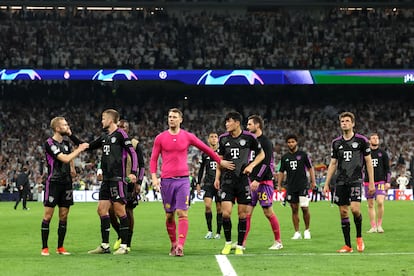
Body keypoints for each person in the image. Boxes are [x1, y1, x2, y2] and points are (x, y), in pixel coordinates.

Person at [150, 108, 235, 257]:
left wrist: (219, 161)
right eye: (169, 117)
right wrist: (154, 177)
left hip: (183, 180)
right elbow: (153, 159)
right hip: (166, 181)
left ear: (180, 120)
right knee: (169, 215)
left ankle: (181, 246)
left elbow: (206, 149)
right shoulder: (160, 138)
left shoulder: (187, 136)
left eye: (174, 117)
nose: (171, 119)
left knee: (182, 213)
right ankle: (173, 244)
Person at [86, 109, 138, 255]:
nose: (101, 121)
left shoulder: (121, 134)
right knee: (101, 210)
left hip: (117, 179)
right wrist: (71, 136)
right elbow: (88, 146)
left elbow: (132, 152)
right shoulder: (104, 137)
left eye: (103, 118)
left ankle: (125, 246)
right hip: (106, 180)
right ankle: (104, 245)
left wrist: (133, 172)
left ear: (110, 119)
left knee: (121, 211)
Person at [323, 111, 375, 253]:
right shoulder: (336, 143)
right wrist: (327, 183)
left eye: (347, 121)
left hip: (356, 180)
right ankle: (348, 245)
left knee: (355, 210)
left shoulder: (361, 141)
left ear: (353, 123)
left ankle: (359, 237)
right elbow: (333, 163)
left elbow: (368, 162)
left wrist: (371, 182)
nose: (344, 123)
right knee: (343, 212)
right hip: (340, 181)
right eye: (342, 121)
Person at [214, 111, 265, 255]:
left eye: (228, 121)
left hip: (242, 180)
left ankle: (240, 246)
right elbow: (219, 159)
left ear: (237, 123)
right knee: (226, 213)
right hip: (227, 181)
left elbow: (262, 155)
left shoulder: (249, 137)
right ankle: (228, 243)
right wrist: (217, 177)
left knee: (242, 215)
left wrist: (251, 165)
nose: (226, 124)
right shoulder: (223, 139)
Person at [41, 117, 89, 256]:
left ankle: (60, 247)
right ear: (57, 128)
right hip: (54, 182)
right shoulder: (49, 143)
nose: (67, 127)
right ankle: (45, 247)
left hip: (66, 183)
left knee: (64, 215)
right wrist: (79, 149)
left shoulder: (67, 143)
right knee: (48, 216)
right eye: (64, 125)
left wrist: (72, 168)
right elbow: (64, 158)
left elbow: (69, 157)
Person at [243, 115, 282, 250]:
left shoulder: (265, 142)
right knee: (246, 213)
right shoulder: (250, 141)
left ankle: (278, 241)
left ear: (257, 125)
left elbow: (267, 163)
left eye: (249, 124)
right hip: (251, 182)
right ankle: (242, 243)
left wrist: (258, 179)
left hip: (264, 182)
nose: (247, 127)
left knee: (268, 212)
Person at [109, 119, 145, 252]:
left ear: (128, 129)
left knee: (128, 211)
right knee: (110, 210)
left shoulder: (135, 144)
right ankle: (120, 234)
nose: (121, 128)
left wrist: (139, 182)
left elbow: (141, 165)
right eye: (119, 126)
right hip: (114, 181)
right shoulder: (113, 143)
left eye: (124, 127)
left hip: (129, 182)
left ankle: (127, 242)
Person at [277, 134, 316, 240]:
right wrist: (279, 184)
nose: (291, 144)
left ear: (296, 142)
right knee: (294, 209)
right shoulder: (285, 157)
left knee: (304, 208)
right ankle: (297, 232)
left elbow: (310, 168)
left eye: (292, 142)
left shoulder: (303, 155)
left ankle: (307, 230)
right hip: (291, 186)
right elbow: (281, 171)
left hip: (302, 185)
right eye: (289, 142)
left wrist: (313, 182)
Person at [197, 132, 222, 240]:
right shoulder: (205, 153)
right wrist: (198, 183)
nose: (214, 139)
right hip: (208, 183)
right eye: (211, 137)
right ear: (208, 140)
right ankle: (209, 230)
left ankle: (218, 232)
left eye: (215, 137)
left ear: (218, 140)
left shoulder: (222, 152)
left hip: (220, 184)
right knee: (207, 206)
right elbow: (201, 169)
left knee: (219, 209)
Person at [364, 133, 390, 234]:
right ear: (369, 141)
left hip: (380, 182)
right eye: (373, 138)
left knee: (380, 202)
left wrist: (387, 181)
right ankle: (373, 226)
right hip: (367, 182)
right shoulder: (366, 153)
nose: (376, 139)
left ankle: (379, 225)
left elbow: (387, 169)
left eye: (377, 138)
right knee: (370, 204)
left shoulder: (383, 153)